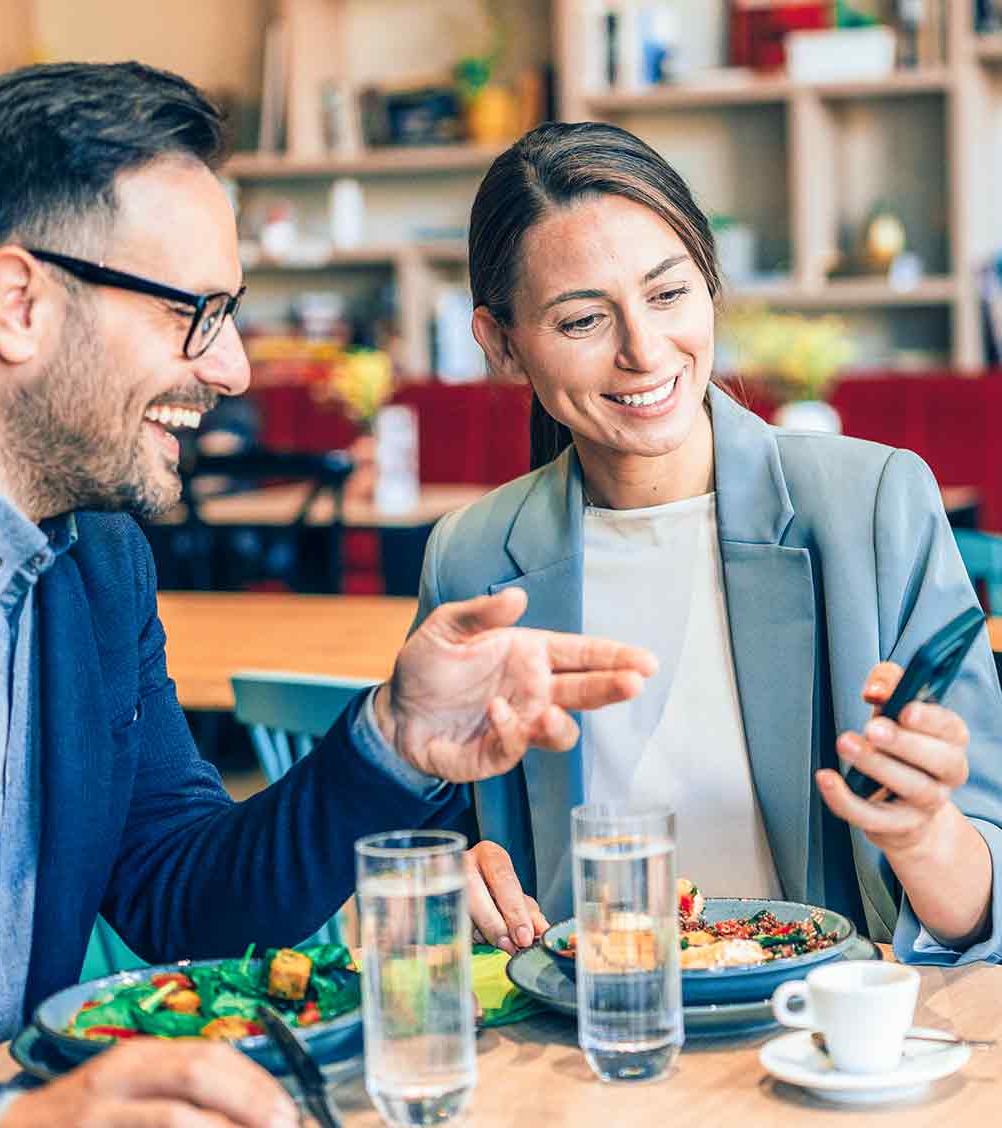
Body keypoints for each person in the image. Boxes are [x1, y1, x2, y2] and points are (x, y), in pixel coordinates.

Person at [0, 71, 660, 1128]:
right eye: (196, 313)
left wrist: (391, 742)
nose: (235, 369)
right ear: (19, 304)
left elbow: (180, 893)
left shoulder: (99, 556)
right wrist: (7, 1120)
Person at [416, 120, 1002, 965]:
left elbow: (982, 905)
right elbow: (432, 849)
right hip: (596, 1026)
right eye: (583, 320)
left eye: (667, 295)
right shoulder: (469, 559)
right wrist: (454, 878)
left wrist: (925, 834)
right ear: (502, 344)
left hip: (821, 1022)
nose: (644, 350)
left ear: (709, 282)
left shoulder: (873, 506)